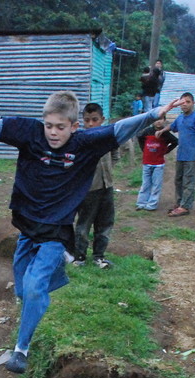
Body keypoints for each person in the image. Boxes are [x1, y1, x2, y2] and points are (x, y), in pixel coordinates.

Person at [0, 91, 183, 374]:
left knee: (36, 287)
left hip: (56, 230)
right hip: (27, 226)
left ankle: (20, 351)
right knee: (24, 291)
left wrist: (152, 114)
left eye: (60, 127)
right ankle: (55, 275)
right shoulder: (30, 132)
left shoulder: (85, 144)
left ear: (74, 127)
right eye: (49, 125)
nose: (53, 132)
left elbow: (120, 129)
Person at [72, 102, 120, 269]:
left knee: (105, 222)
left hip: (107, 186)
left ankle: (99, 257)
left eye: (95, 119)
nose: (91, 124)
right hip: (88, 190)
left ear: (102, 119)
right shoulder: (80, 140)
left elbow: (115, 155)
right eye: (87, 120)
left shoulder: (108, 137)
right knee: (84, 224)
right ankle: (79, 257)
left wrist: (107, 172)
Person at [167, 92, 195, 217]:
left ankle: (185, 206)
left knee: (188, 181)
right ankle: (179, 203)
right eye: (182, 102)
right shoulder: (180, 118)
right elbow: (172, 127)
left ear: (193, 103)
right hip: (181, 155)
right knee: (178, 180)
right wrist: (161, 130)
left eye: (188, 102)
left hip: (192, 155)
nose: (185, 105)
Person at [135, 116, 178, 212]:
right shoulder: (147, 131)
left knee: (156, 185)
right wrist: (144, 150)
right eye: (156, 120)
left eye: (161, 119)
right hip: (147, 163)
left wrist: (166, 151)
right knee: (145, 184)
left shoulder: (165, 134)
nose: (158, 122)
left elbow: (175, 141)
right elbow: (139, 137)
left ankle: (152, 204)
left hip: (158, 164)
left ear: (164, 121)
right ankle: (141, 203)